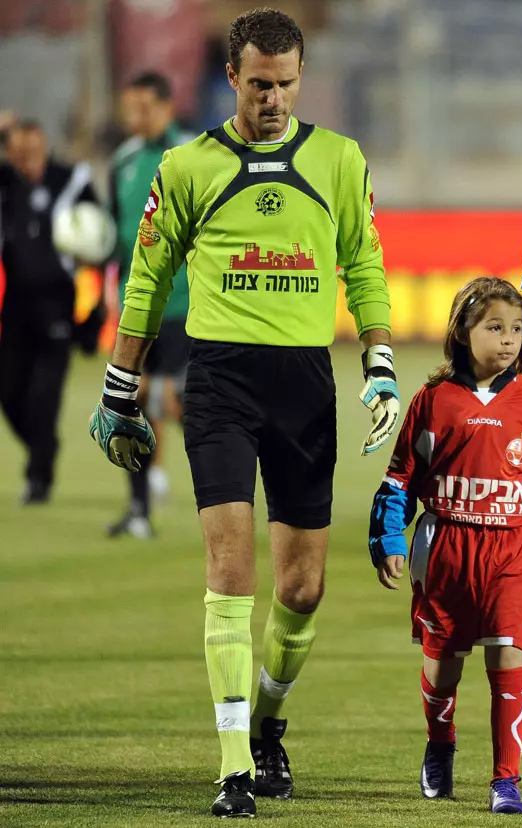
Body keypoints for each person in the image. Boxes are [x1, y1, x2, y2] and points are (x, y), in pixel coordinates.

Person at [88, 8, 399, 818]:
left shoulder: (338, 160)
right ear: (231, 77)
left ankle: (266, 725)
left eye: (286, 85)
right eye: (259, 84)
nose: (273, 99)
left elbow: (362, 260)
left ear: (301, 77)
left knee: (303, 588)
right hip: (219, 379)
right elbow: (148, 278)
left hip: (305, 385)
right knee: (230, 571)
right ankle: (232, 766)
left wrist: (379, 361)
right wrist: (122, 383)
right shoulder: (186, 166)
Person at [368, 277, 522, 814]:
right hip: (445, 547)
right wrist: (387, 538)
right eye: (495, 327)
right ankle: (440, 745)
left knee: (508, 653)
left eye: (517, 329)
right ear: (461, 333)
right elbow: (400, 477)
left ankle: (506, 780)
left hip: (511, 549)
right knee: (443, 663)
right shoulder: (433, 400)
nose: (510, 339)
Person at [107, 71, 194, 539]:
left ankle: (230, 489)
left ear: (166, 107)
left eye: (144, 108)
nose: (135, 117)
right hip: (134, 309)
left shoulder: (194, 155)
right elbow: (114, 234)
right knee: (129, 405)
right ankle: (139, 511)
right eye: (130, 108)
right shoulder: (120, 161)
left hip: (183, 306)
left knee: (184, 404)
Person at [0, 119, 101, 504]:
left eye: (34, 150)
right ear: (10, 152)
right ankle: (43, 448)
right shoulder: (7, 185)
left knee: (44, 398)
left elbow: (99, 242)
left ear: (45, 147)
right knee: (8, 394)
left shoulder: (71, 182)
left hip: (57, 306)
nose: (28, 158)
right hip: (13, 309)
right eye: (19, 151)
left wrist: (92, 315)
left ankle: (39, 475)